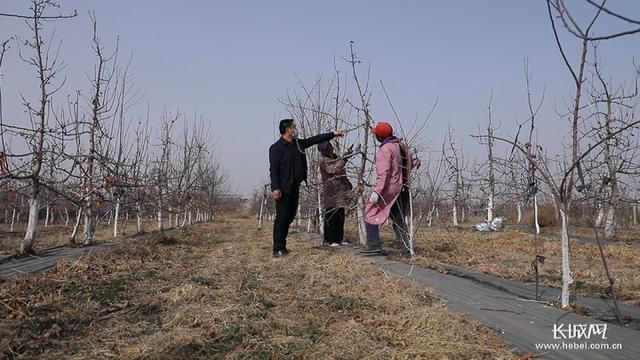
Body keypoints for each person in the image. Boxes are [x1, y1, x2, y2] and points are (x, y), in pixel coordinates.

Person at [269, 119, 346, 257]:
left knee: (290, 216)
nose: (296, 128)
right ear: (288, 130)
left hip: (295, 186)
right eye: (294, 127)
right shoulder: (276, 148)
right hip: (283, 188)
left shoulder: (298, 144)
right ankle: (278, 248)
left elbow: (315, 139)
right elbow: (273, 170)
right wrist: (275, 188)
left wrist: (333, 134)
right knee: (282, 217)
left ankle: (283, 245)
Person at [364, 121, 420, 257]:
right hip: (405, 188)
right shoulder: (402, 146)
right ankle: (405, 248)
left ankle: (374, 246)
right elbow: (412, 164)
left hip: (390, 189)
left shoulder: (385, 150)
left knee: (370, 214)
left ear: (380, 137)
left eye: (376, 134)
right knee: (399, 219)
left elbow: (384, 174)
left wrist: (377, 193)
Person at [317, 141, 354, 247]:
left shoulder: (336, 157)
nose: (331, 148)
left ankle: (339, 238)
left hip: (340, 191)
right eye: (328, 147)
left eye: (330, 146)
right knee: (331, 215)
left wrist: (347, 184)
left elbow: (341, 171)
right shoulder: (324, 161)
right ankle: (329, 240)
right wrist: (344, 159)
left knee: (340, 215)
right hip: (331, 191)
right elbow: (332, 170)